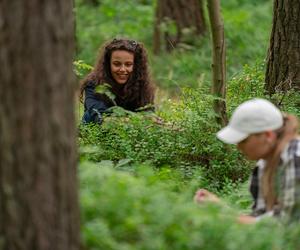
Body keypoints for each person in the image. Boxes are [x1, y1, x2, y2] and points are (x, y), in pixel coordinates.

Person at [194, 98, 300, 223]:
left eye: (243, 140)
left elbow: (287, 226)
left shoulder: (294, 158)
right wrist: (219, 207)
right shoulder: (264, 164)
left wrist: (222, 219)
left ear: (268, 136)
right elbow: (261, 219)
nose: (238, 146)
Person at [80, 38, 155, 124]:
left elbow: (149, 114)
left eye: (128, 64)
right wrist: (134, 121)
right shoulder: (93, 83)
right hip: (97, 132)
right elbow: (99, 116)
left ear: (136, 66)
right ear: (108, 64)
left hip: (131, 134)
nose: (122, 69)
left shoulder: (142, 85)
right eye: (117, 64)